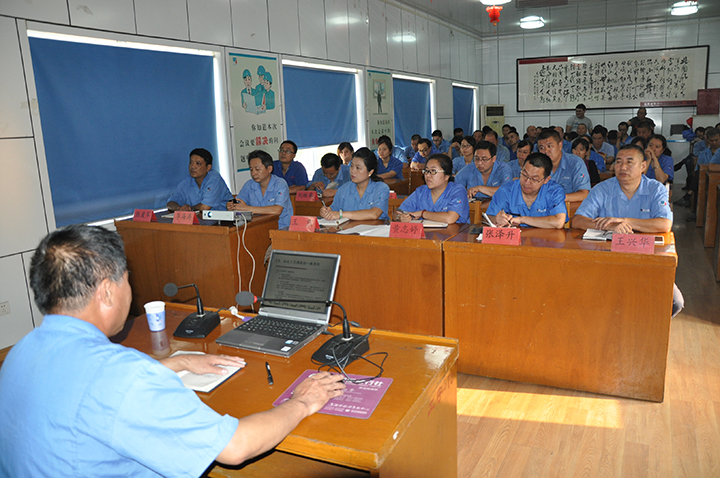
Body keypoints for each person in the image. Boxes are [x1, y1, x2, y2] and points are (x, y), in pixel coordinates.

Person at [0, 225, 345, 477]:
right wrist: (302, 402)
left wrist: (175, 363)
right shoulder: (126, 379)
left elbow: (83, 387)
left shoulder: (19, 353)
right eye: (127, 278)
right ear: (106, 292)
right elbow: (236, 447)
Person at [487, 152, 567, 229]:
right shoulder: (507, 190)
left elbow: (558, 222)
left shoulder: (554, 191)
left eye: (534, 179)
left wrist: (522, 220)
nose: (527, 182)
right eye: (524, 175)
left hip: (545, 237)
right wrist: (496, 219)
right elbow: (487, 217)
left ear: (546, 180)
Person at [227, 149, 293, 228]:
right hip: (258, 227)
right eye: (251, 169)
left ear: (269, 169)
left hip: (281, 228)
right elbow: (239, 202)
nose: (253, 173)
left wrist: (248, 209)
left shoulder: (280, 184)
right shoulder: (249, 185)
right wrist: (232, 206)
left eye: (257, 169)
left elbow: (277, 210)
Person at [320, 147, 390, 221]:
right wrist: (327, 212)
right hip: (349, 228)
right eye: (352, 166)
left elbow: (374, 214)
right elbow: (334, 210)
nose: (352, 171)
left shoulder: (381, 188)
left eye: (358, 168)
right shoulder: (344, 189)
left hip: (375, 228)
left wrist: (341, 214)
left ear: (370, 172)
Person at [397, 154, 469, 224]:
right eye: (426, 171)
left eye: (433, 171)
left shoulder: (458, 190)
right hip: (425, 232)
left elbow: (450, 218)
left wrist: (422, 213)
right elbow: (399, 212)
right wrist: (400, 217)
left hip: (454, 232)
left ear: (446, 176)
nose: (428, 175)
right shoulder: (421, 191)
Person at [167, 148, 233, 212]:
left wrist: (188, 209)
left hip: (223, 218)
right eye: (191, 162)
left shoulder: (214, 178)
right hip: (199, 218)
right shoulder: (187, 182)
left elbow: (205, 207)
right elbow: (170, 203)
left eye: (198, 163)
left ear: (208, 167)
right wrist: (179, 208)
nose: (192, 166)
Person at [536, 129, 591, 202]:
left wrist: (558, 198)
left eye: (549, 146)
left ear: (560, 145)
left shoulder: (575, 163)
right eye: (542, 148)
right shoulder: (536, 166)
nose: (546, 151)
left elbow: (584, 194)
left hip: (569, 207)